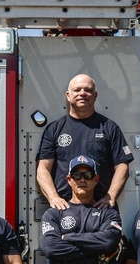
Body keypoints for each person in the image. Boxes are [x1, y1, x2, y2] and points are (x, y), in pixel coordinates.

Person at [36, 73, 134, 210]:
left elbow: (122, 166)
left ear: (95, 96)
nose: (82, 93)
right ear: (68, 95)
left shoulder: (109, 127)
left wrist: (110, 196)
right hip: (64, 209)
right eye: (77, 90)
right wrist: (53, 197)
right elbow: (43, 169)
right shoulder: (54, 129)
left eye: (88, 90)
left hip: (101, 208)